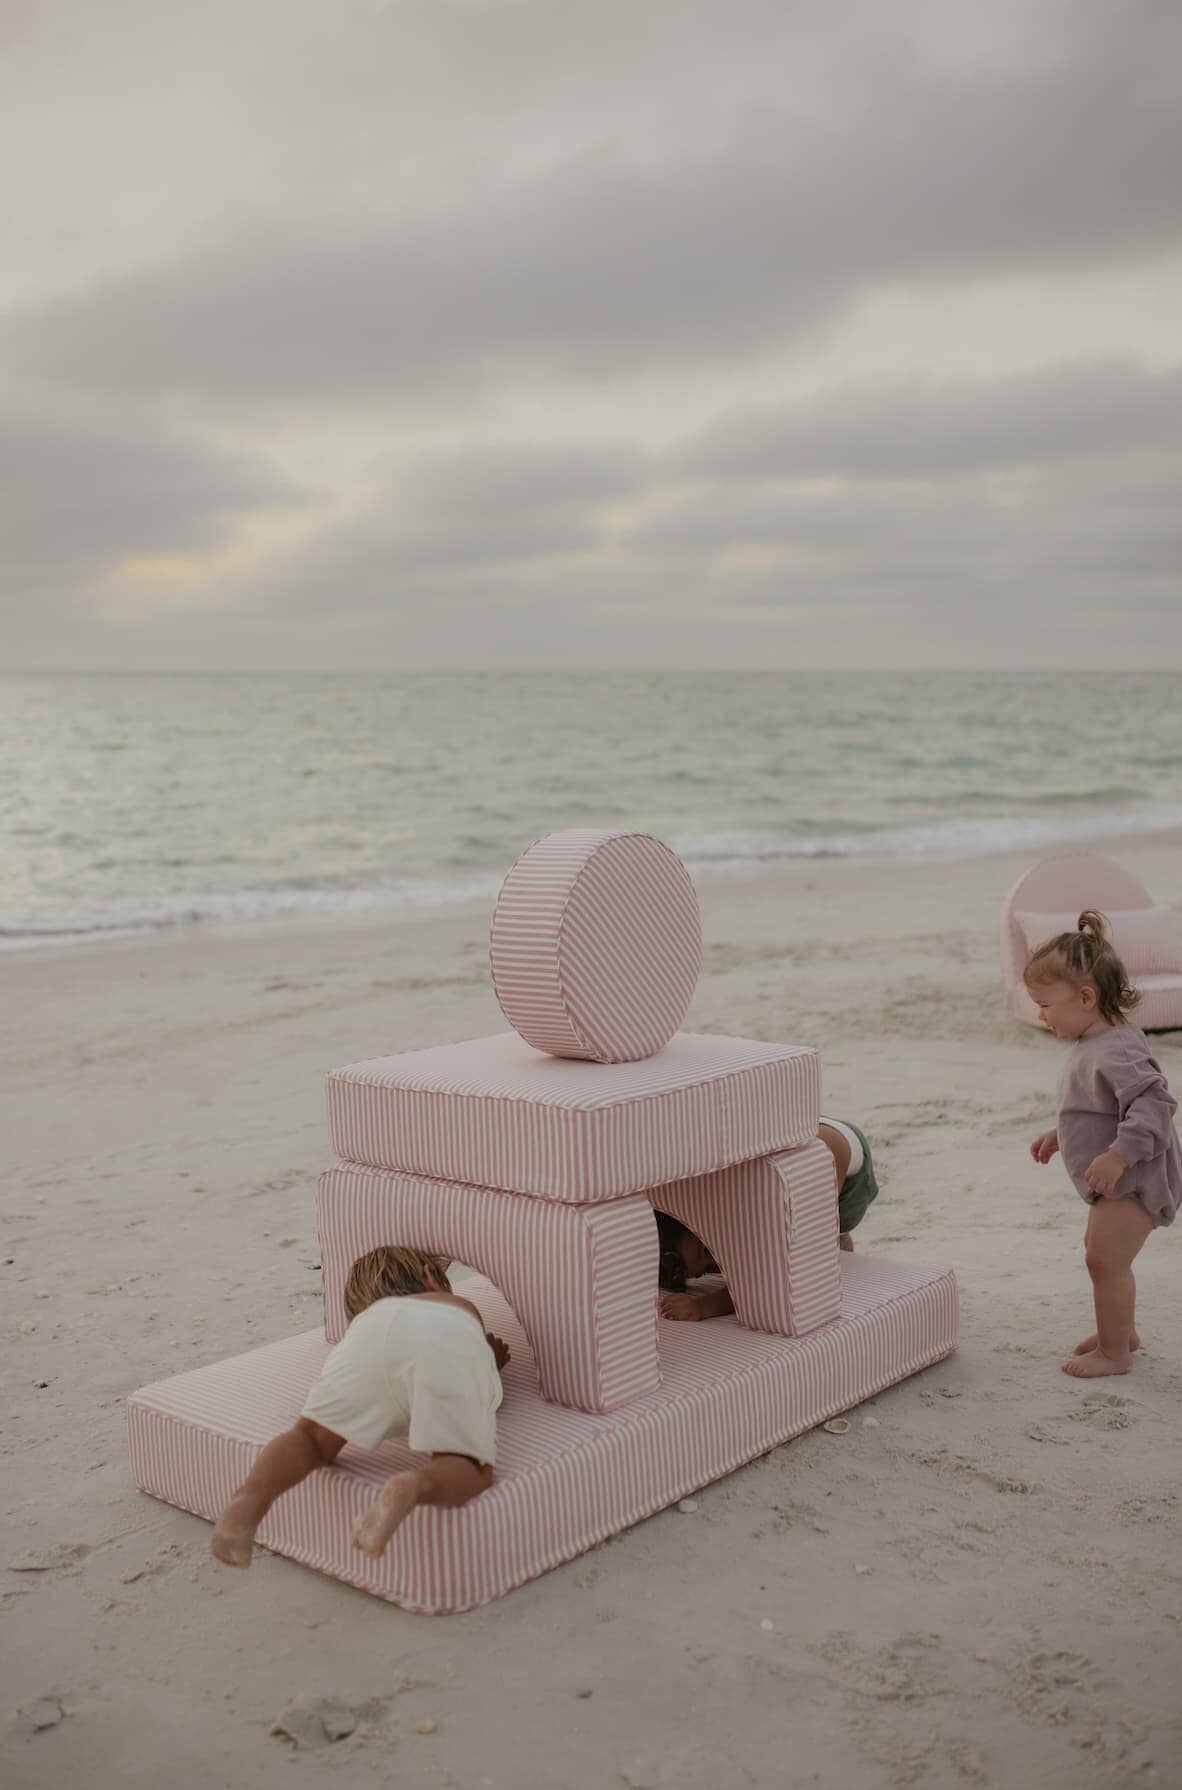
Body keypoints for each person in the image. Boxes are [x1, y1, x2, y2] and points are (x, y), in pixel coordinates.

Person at [210, 1246, 509, 1567]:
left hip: (368, 1340)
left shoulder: (368, 1319)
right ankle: (412, 1486)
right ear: (429, 1278)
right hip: (445, 1337)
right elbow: (461, 1368)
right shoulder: (453, 1307)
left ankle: (251, 1497)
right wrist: (490, 1360)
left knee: (309, 1438)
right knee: (468, 1464)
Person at [1025, 909, 1181, 1379]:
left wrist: (1117, 1156)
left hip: (1134, 1176)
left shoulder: (1117, 1049)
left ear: (1086, 997)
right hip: (1118, 1177)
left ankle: (1115, 1353)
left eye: (1046, 1004)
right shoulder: (1096, 1045)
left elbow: (1155, 1105)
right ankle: (1122, 1331)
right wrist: (1062, 1135)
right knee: (1100, 1256)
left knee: (1104, 1260)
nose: (1040, 1014)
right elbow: (1100, 1108)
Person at [656, 1117, 878, 1320]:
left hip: (832, 1151)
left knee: (811, 1236)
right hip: (796, 1153)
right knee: (820, 1231)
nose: (717, 1260)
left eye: (706, 1251)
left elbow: (765, 1281)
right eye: (709, 1270)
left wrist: (702, 1307)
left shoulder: (742, 1212)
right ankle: (838, 1239)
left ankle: (837, 1236)